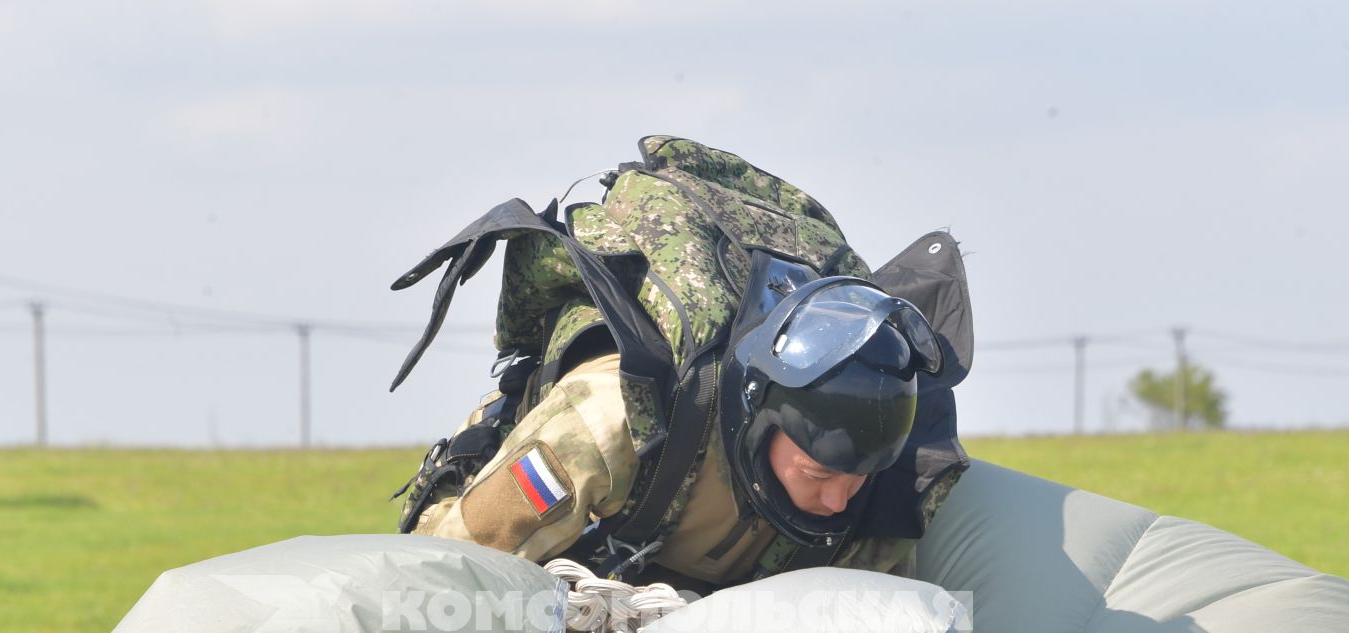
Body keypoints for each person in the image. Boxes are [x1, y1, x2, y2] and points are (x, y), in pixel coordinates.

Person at [390, 137, 973, 593]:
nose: (838, 502)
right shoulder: (605, 422)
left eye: (855, 478)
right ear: (760, 417)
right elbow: (444, 573)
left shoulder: (882, 490)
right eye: (819, 475)